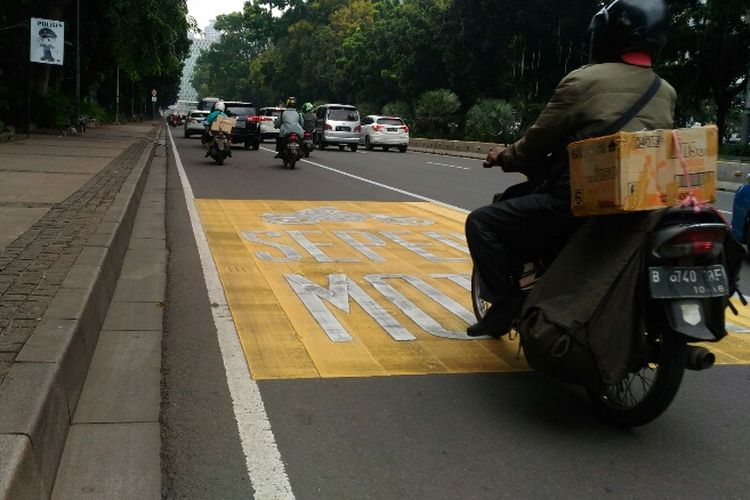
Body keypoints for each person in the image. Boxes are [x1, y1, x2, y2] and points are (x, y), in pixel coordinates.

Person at [465, 0, 676, 338]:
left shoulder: (583, 81)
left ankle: (504, 304)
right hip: (645, 203)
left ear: (608, 34)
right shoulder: (665, 91)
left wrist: (503, 156)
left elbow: (536, 142)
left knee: (481, 222)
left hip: (579, 202)